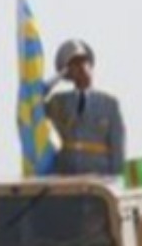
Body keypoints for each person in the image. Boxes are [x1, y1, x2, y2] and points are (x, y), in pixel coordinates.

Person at [44, 39, 126, 177]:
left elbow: (117, 146)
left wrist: (116, 177)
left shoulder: (109, 104)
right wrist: (59, 77)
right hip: (67, 173)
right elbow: (33, 103)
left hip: (99, 175)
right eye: (75, 64)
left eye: (84, 61)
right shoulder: (59, 101)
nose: (82, 67)